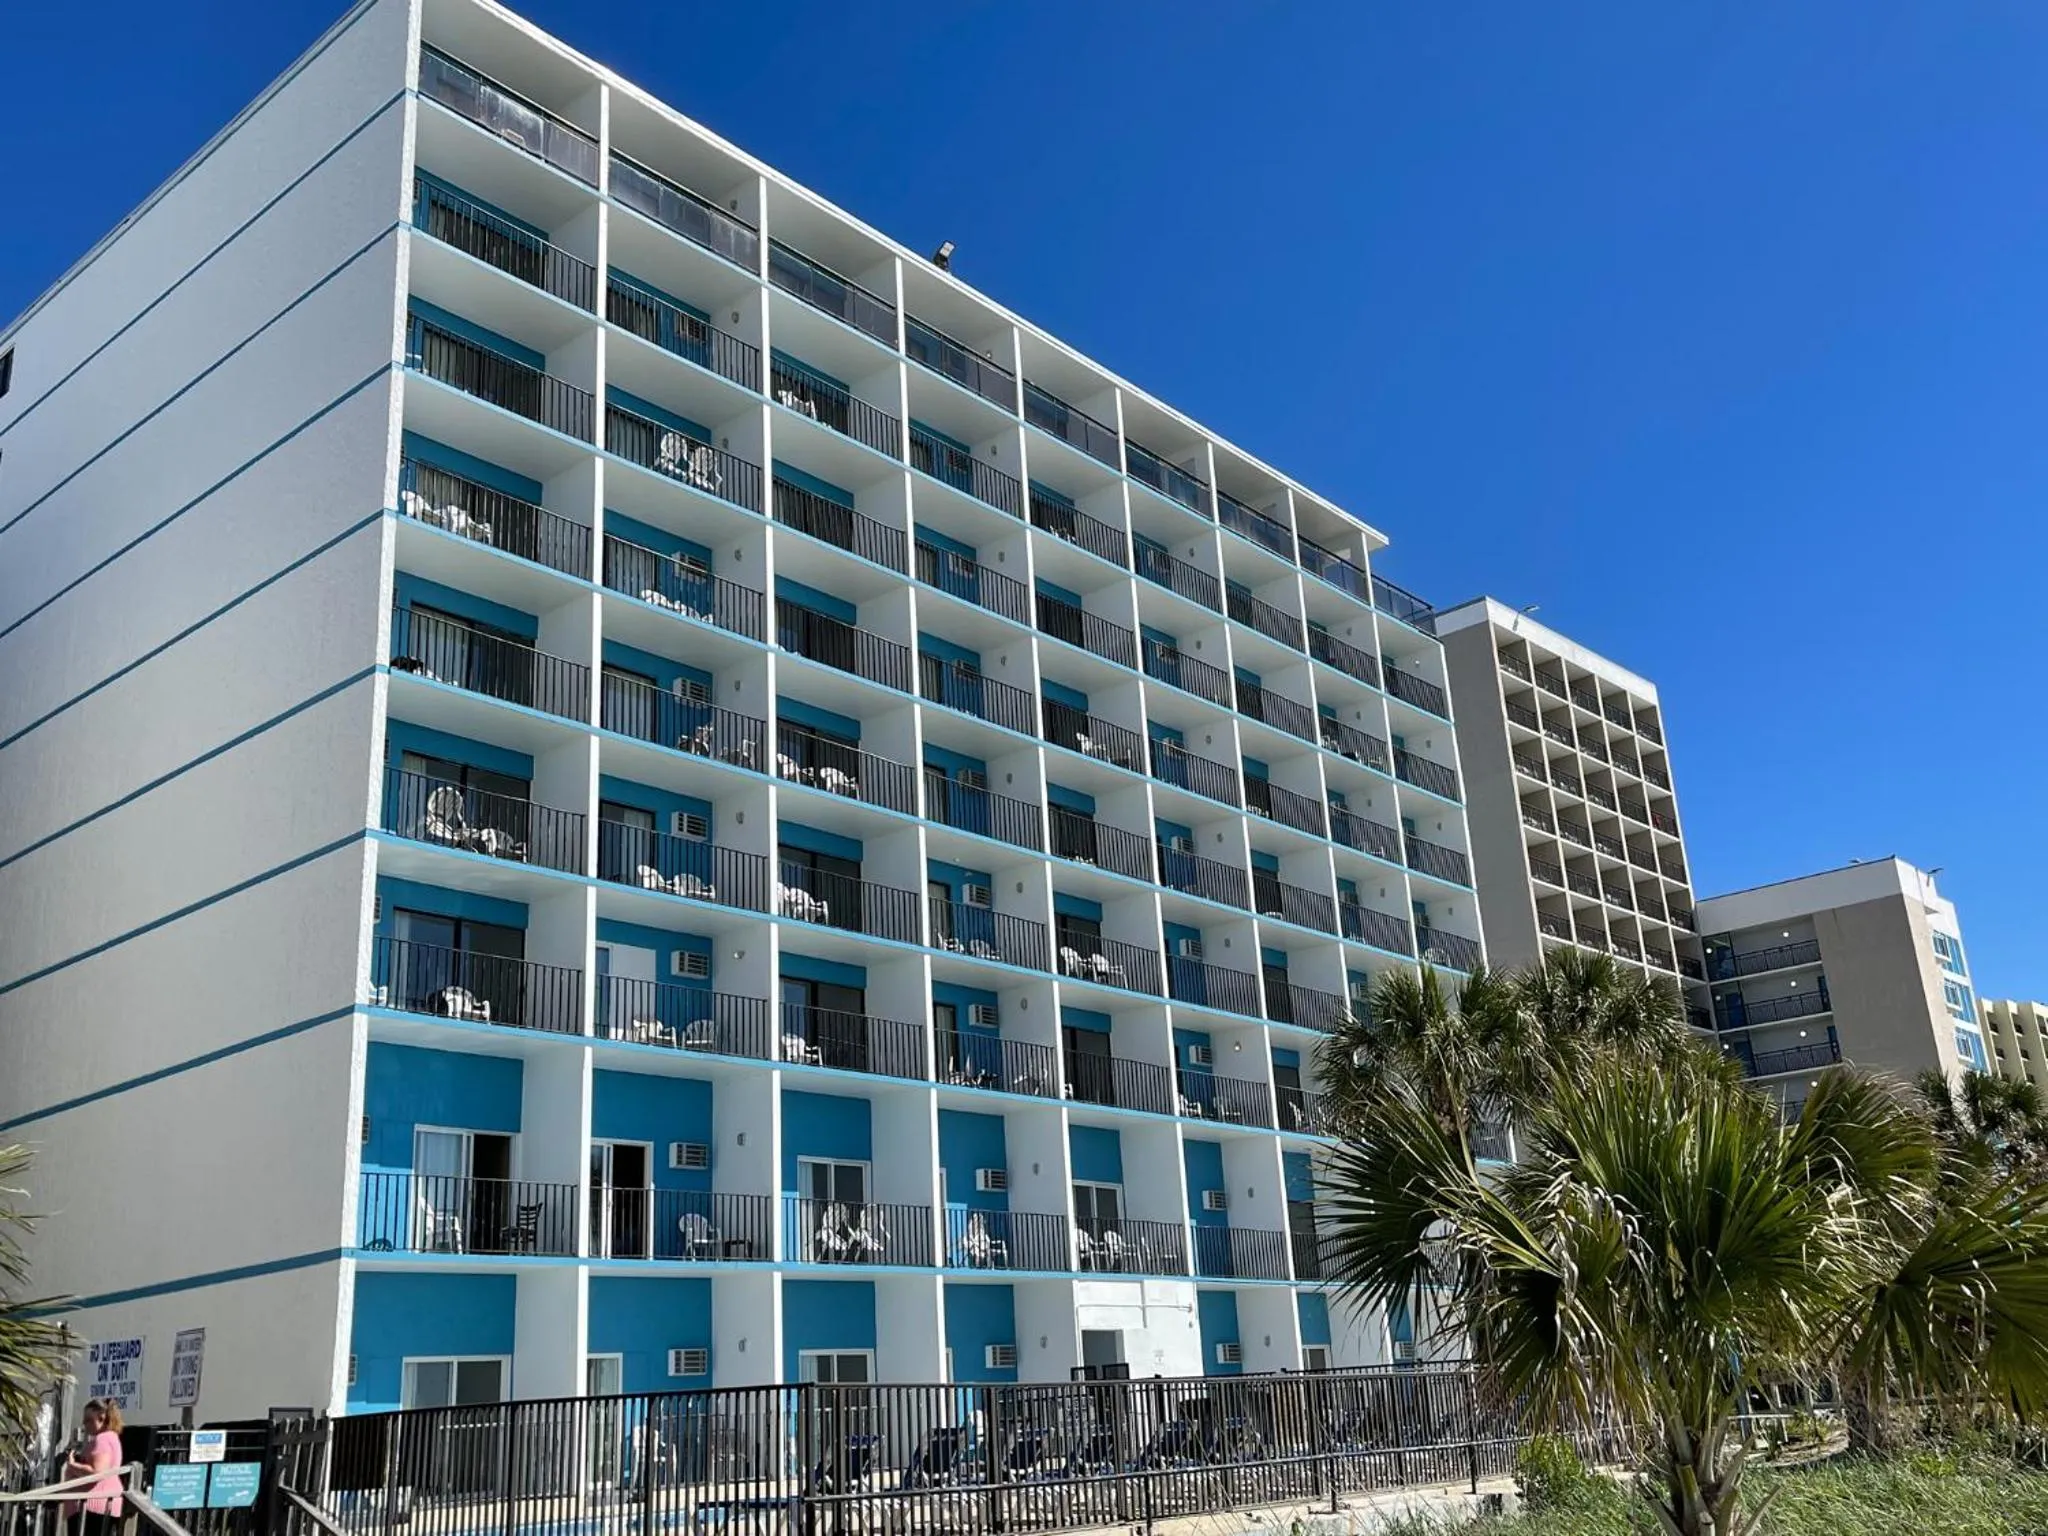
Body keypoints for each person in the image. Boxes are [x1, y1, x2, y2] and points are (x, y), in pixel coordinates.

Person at [62, 1400, 124, 1536]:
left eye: (89, 1420)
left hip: (92, 1508)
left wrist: (73, 1465)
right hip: (102, 1505)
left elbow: (97, 1472)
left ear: (102, 1418)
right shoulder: (112, 1438)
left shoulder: (102, 1440)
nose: (84, 1423)